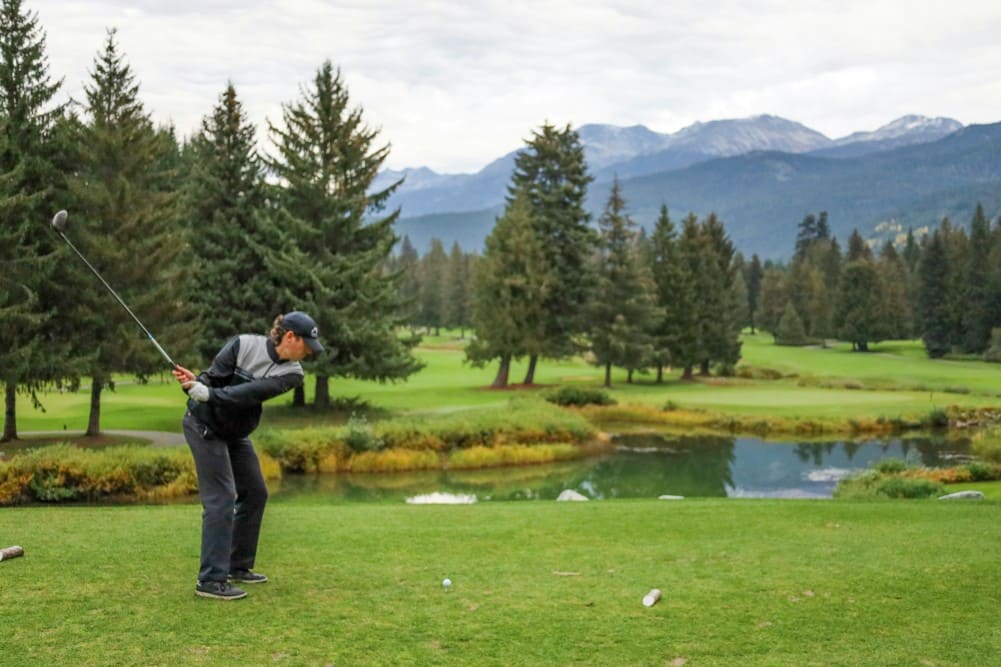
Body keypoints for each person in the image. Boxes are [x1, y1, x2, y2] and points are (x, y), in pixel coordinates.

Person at [172, 311, 323, 600]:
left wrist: (208, 392)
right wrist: (196, 382)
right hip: (204, 426)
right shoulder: (241, 344)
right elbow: (212, 379)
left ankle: (237, 566)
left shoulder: (293, 373)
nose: (308, 353)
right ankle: (211, 581)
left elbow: (249, 393)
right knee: (222, 498)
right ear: (290, 337)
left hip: (234, 433)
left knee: (255, 492)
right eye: (306, 346)